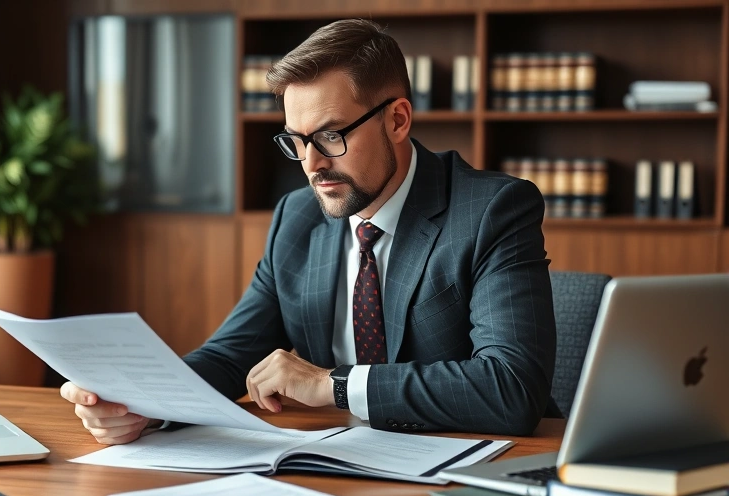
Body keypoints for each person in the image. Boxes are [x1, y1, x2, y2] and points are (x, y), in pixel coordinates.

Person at [61, 19, 556, 444]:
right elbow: (232, 354)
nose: (312, 164)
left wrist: (335, 385)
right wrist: (142, 403)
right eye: (296, 141)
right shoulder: (297, 218)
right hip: (338, 464)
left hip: (471, 473)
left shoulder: (491, 210)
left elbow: (512, 388)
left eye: (330, 135)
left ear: (398, 120)